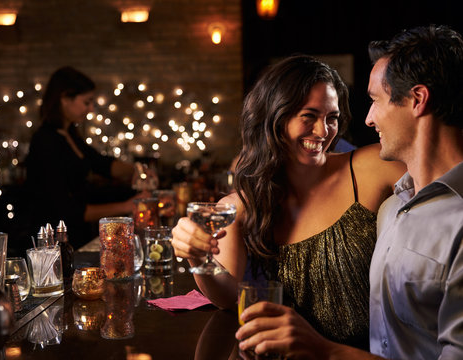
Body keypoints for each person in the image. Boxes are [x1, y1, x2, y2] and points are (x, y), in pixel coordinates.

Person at [235, 25, 463, 359]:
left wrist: (325, 351)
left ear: (417, 99)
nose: (369, 119)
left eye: (375, 100)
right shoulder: (394, 207)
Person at [171, 55, 406, 350]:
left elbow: (443, 168)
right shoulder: (242, 204)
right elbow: (229, 297)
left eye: (331, 118)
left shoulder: (368, 167)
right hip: (296, 354)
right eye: (308, 116)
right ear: (275, 118)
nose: (323, 132)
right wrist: (199, 258)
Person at [25, 66, 146, 249]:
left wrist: (139, 169)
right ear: (65, 98)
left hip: (77, 235)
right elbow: (66, 209)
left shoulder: (69, 135)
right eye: (87, 102)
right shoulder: (45, 141)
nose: (90, 108)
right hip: (55, 244)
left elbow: (103, 164)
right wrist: (127, 206)